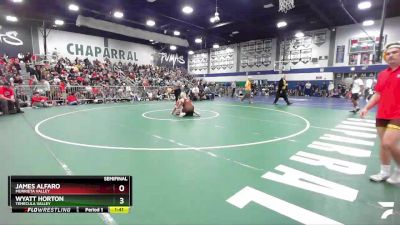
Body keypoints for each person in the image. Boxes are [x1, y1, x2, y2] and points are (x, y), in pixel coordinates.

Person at [360, 41, 400, 184]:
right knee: (384, 144)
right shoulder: (383, 74)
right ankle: (384, 172)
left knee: (389, 143)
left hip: (398, 114)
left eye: (394, 52)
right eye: (388, 53)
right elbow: (378, 94)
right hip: (382, 113)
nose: (390, 55)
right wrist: (366, 108)